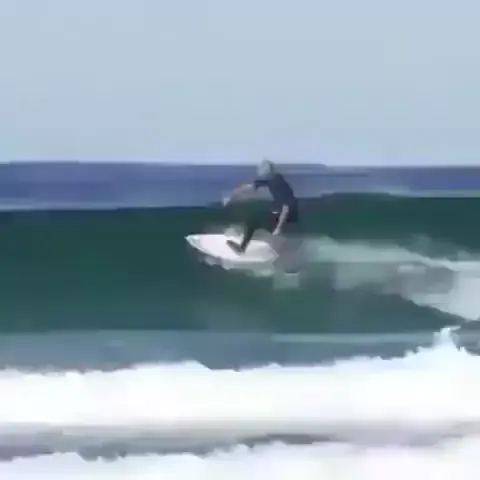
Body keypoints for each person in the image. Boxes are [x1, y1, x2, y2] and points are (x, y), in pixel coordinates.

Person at [223, 159, 299, 253]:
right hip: (278, 211)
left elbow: (286, 207)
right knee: (254, 219)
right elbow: (251, 187)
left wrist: (279, 228)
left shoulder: (278, 184)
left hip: (289, 216)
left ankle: (243, 247)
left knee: (255, 220)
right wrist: (232, 195)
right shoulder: (269, 179)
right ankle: (243, 244)